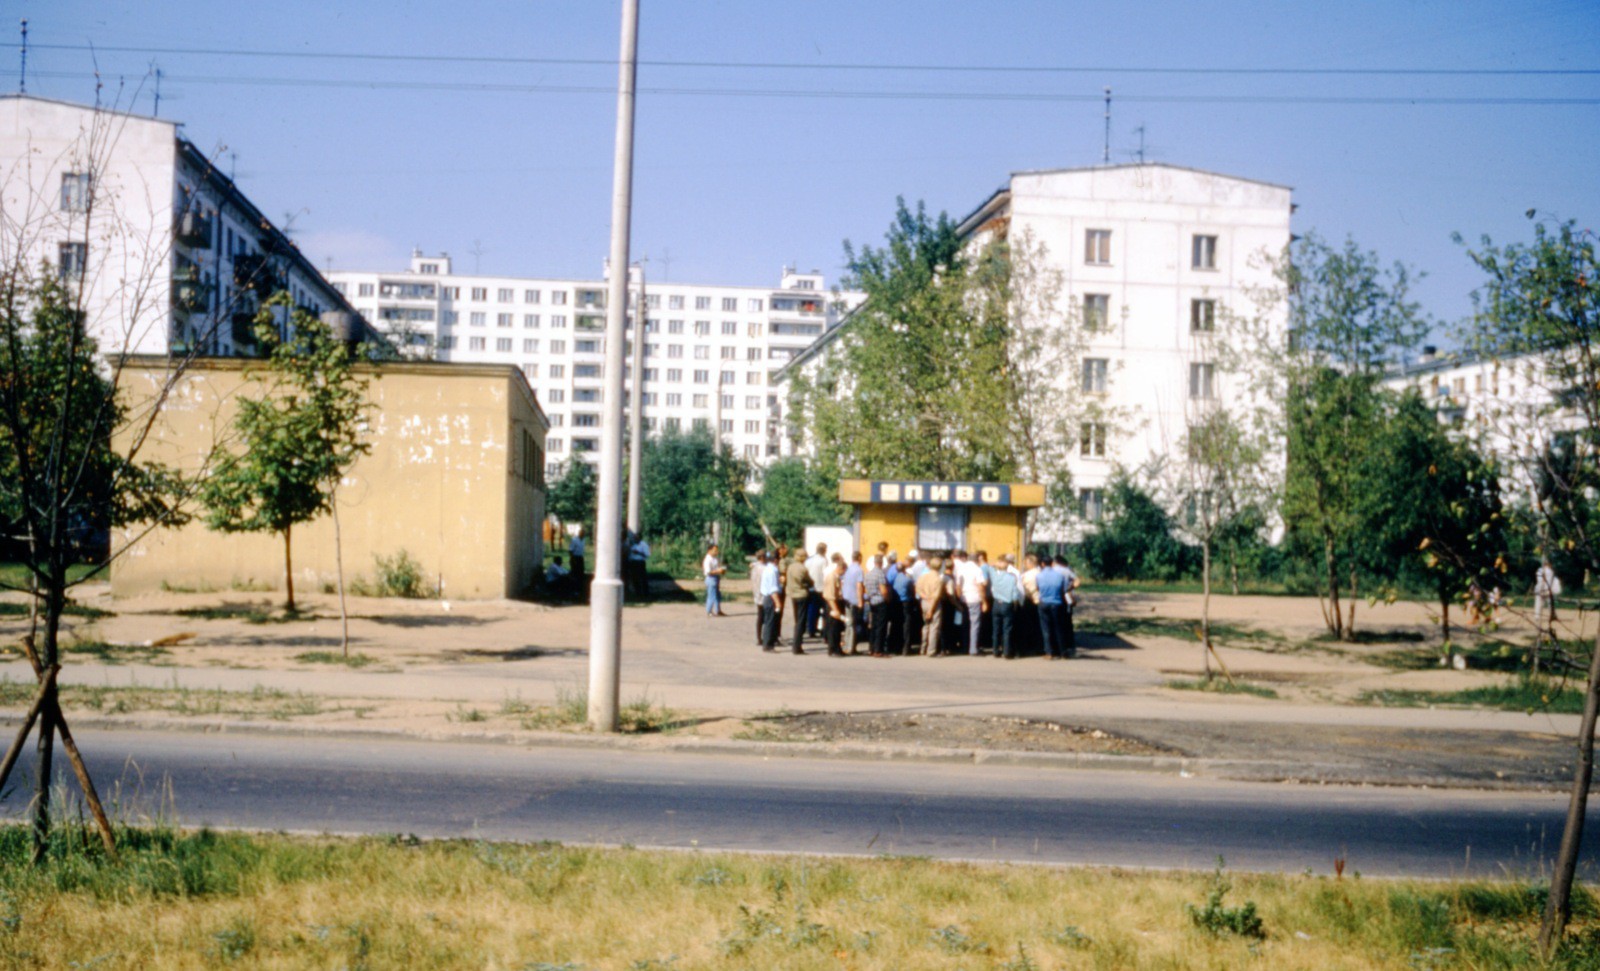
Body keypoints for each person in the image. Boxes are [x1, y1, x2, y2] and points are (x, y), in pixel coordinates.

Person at [954, 550, 987, 656]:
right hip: (974, 598)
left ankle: (964, 647)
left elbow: (958, 586)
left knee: (965, 623)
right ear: (977, 559)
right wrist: (984, 601)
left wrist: (960, 597)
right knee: (975, 624)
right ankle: (973, 649)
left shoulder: (961, 569)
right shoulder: (977, 569)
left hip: (964, 598)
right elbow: (980, 587)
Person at [990, 553, 1023, 659]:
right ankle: (1007, 652)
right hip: (1007, 604)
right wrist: (1016, 603)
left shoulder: (994, 576)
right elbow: (1014, 594)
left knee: (996, 629)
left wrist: (996, 564)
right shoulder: (1012, 578)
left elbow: (990, 567)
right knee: (1007, 629)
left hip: (996, 603)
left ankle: (995, 651)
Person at [1036, 557, 1068, 659]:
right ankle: (1062, 652)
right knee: (1059, 628)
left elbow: (1038, 588)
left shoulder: (1039, 576)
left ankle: (1049, 652)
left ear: (1042, 564)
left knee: (1046, 629)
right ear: (1052, 564)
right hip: (1057, 602)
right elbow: (1064, 589)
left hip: (1044, 603)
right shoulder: (1060, 575)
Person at [916, 555, 946, 656]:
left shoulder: (923, 576)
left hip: (924, 601)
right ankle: (931, 650)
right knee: (934, 627)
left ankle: (923, 648)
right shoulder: (938, 579)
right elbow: (936, 596)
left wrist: (924, 596)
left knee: (926, 625)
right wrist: (931, 609)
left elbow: (918, 589)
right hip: (934, 603)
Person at [785, 548, 813, 654]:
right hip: (802, 594)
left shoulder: (790, 567)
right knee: (801, 622)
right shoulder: (803, 569)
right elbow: (809, 582)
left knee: (797, 619)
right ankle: (797, 646)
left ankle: (796, 645)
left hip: (792, 595)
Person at [863, 553, 891, 657]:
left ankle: (871, 648)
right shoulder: (880, 574)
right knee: (881, 626)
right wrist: (887, 599)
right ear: (881, 563)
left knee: (873, 625)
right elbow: (883, 590)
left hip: (872, 601)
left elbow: (866, 588)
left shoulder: (868, 574)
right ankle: (878, 650)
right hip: (880, 601)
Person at [1054, 555, 1080, 657]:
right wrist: (1070, 587)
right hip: (1065, 597)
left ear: (1055, 562)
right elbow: (1078, 582)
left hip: (1054, 597)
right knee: (1067, 622)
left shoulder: (1052, 570)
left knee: (1056, 622)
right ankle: (1069, 646)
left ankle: (1056, 647)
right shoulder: (1067, 570)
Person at [892, 554, 918, 656]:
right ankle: (906, 648)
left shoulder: (895, 578)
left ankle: (896, 647)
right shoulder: (907, 579)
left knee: (897, 624)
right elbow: (912, 591)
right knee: (907, 625)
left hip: (896, 603)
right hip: (906, 602)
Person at [822, 553, 847, 657]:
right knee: (833, 629)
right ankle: (834, 649)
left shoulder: (836, 577)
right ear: (841, 569)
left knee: (837, 628)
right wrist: (835, 610)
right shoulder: (832, 577)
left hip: (836, 603)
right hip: (833, 605)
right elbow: (829, 595)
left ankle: (837, 648)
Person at [758, 550, 783, 651]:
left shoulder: (767, 568)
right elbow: (773, 589)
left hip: (767, 597)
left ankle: (767, 642)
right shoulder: (773, 570)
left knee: (769, 620)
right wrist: (778, 603)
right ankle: (768, 644)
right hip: (771, 598)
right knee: (770, 621)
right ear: (776, 560)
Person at [842, 551, 865, 654]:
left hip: (846, 598)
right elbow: (859, 586)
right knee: (852, 624)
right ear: (859, 558)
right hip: (853, 600)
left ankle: (847, 645)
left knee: (848, 623)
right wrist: (860, 601)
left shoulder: (849, 569)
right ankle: (850, 648)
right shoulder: (859, 570)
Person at [1020, 553, 1043, 657]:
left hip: (1030, 601)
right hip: (1040, 601)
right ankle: (1038, 646)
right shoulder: (1040, 573)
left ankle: (1029, 646)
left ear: (1030, 563)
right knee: (1038, 625)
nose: (1024, 565)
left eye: (1025, 563)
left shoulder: (1027, 575)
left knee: (1028, 625)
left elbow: (1023, 588)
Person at [805, 543, 829, 637]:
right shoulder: (823, 560)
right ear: (824, 550)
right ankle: (824, 629)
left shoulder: (809, 560)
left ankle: (811, 629)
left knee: (812, 610)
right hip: (821, 588)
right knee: (825, 610)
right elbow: (825, 574)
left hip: (811, 588)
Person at [1534, 558, 1562, 636]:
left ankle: (1538, 616)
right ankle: (1551, 615)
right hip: (1547, 589)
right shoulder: (1548, 571)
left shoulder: (1540, 570)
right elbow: (1550, 580)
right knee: (1549, 603)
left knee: (1539, 603)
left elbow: (1539, 580)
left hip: (1541, 589)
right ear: (1547, 563)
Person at [702, 543, 727, 617]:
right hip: (710, 578)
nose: (716, 552)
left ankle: (718, 610)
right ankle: (709, 611)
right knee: (711, 595)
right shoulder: (707, 559)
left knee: (717, 595)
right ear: (709, 550)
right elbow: (708, 571)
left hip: (716, 578)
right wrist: (718, 571)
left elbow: (716, 568)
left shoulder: (715, 558)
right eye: (715, 550)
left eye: (717, 550)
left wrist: (721, 570)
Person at [750, 551, 769, 645]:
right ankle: (765, 636)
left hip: (757, 593)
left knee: (760, 616)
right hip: (763, 593)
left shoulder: (754, 566)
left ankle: (759, 637)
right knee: (765, 617)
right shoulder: (764, 568)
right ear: (762, 557)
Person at [628, 534, 651, 601]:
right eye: (635, 538)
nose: (635, 539)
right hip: (633, 563)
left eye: (636, 538)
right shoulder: (633, 545)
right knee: (635, 578)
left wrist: (638, 552)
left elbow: (647, 555)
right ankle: (638, 593)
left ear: (640, 538)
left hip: (640, 562)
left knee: (642, 578)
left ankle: (645, 593)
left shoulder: (644, 545)